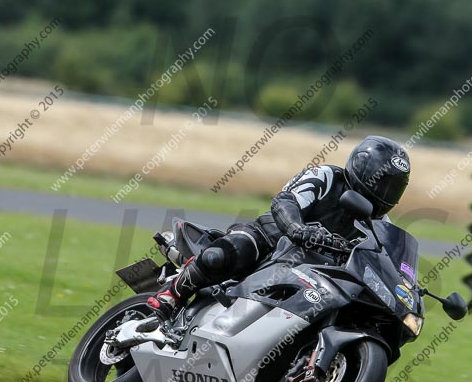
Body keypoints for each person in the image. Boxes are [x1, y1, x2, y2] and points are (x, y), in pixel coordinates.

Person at [144, 135, 411, 323]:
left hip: (315, 273)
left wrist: (406, 286)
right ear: (362, 167)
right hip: (271, 238)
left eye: (392, 187)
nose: (383, 192)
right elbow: (286, 200)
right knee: (227, 253)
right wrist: (297, 227)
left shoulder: (379, 226)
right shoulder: (327, 177)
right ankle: (172, 295)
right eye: (381, 182)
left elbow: (384, 261)